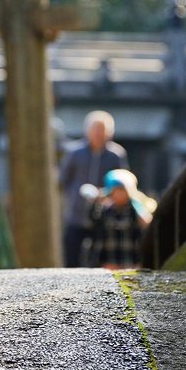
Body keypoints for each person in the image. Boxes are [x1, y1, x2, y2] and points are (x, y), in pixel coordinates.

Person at [60, 110, 128, 267]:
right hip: (76, 213)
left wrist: (104, 194)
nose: (98, 134)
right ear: (87, 131)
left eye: (102, 130)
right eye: (95, 129)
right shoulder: (74, 153)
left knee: (99, 260)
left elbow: (122, 182)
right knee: (72, 257)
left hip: (104, 216)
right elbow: (64, 179)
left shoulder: (116, 155)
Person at [85, 169, 156, 269]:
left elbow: (147, 224)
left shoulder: (134, 210)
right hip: (109, 260)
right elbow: (92, 223)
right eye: (116, 190)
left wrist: (138, 206)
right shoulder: (105, 210)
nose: (119, 194)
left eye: (123, 190)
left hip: (131, 260)